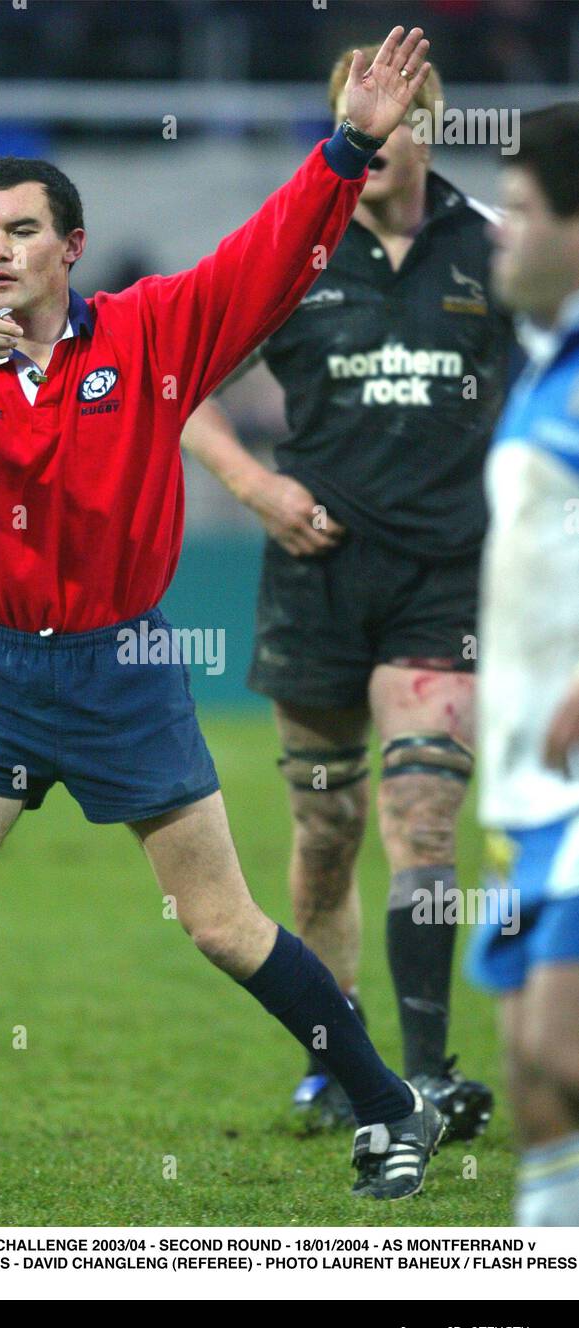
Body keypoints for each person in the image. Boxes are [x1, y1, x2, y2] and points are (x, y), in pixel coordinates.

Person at [0, 28, 448, 1207]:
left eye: (18, 231)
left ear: (71, 248)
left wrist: (350, 144)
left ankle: (386, 1102)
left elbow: (265, 260)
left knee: (220, 924)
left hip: (123, 665)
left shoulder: (151, 332)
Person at [181, 45, 515, 1137]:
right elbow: (181, 387)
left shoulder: (496, 252)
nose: (371, 139)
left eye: (392, 119)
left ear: (432, 125)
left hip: (442, 578)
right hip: (314, 581)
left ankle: (427, 1072)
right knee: (327, 827)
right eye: (350, 120)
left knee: (424, 815)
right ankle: (340, 1055)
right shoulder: (293, 250)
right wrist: (257, 486)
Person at [467, 103, 579, 1225]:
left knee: (558, 1039)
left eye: (520, 211)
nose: (498, 232)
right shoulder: (543, 365)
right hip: (527, 782)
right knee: (531, 1071)